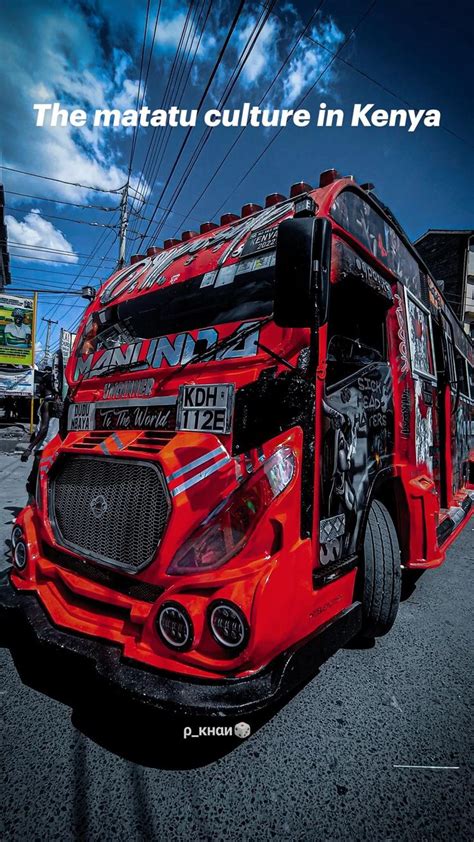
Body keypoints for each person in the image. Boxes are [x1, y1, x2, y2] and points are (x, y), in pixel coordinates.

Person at [21, 373, 62, 504]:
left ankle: (31, 511)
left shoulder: (46, 404)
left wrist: (29, 448)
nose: (39, 388)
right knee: (46, 482)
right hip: (54, 448)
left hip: (43, 448)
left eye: (40, 385)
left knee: (32, 483)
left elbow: (44, 429)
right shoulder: (58, 402)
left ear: (44, 386)